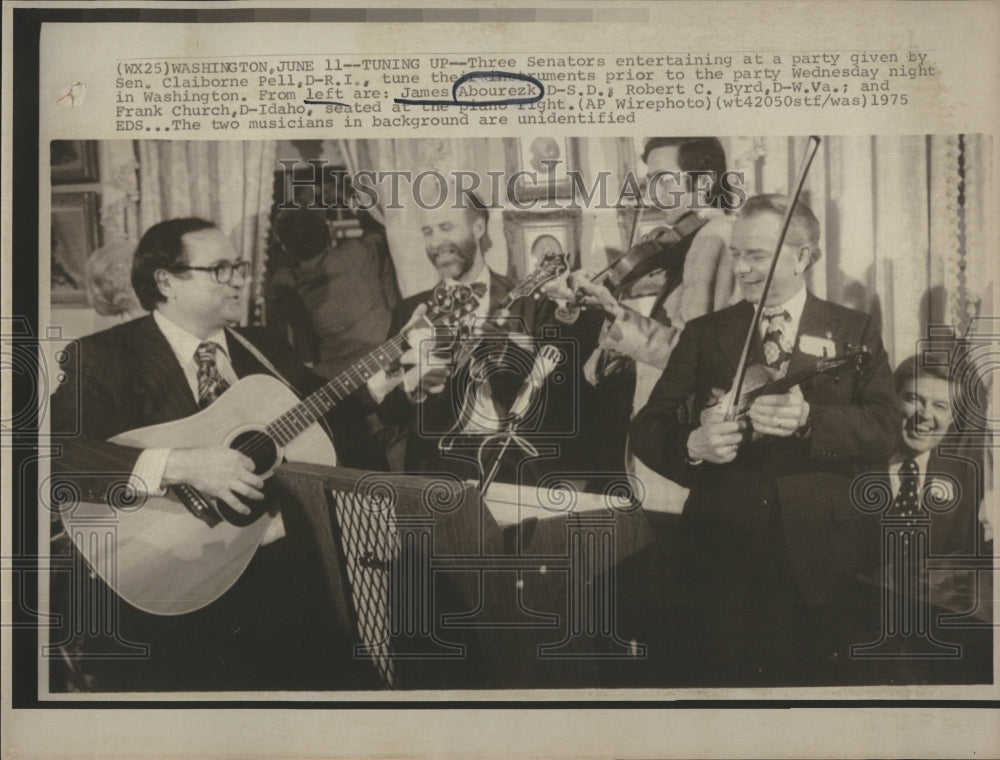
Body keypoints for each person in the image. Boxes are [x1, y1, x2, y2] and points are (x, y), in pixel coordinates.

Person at [49, 217, 380, 691]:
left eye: (239, 266)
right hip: (175, 600)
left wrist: (395, 384)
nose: (240, 279)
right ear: (167, 281)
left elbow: (328, 408)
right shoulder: (104, 355)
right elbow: (56, 453)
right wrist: (182, 465)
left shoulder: (263, 345)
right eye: (221, 269)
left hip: (290, 584)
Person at [630, 194, 898, 685]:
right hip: (722, 551)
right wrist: (692, 445)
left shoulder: (854, 330)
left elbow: (886, 427)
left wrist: (812, 418)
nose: (741, 270)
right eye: (736, 254)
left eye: (757, 256)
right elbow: (648, 426)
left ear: (804, 257)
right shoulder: (706, 332)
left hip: (824, 555)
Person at [369, 191, 557, 481]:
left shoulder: (529, 304)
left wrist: (519, 364)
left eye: (446, 227)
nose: (436, 244)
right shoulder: (412, 311)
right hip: (436, 473)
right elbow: (387, 413)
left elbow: (558, 406)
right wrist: (412, 385)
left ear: (478, 227)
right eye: (428, 232)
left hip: (514, 468)